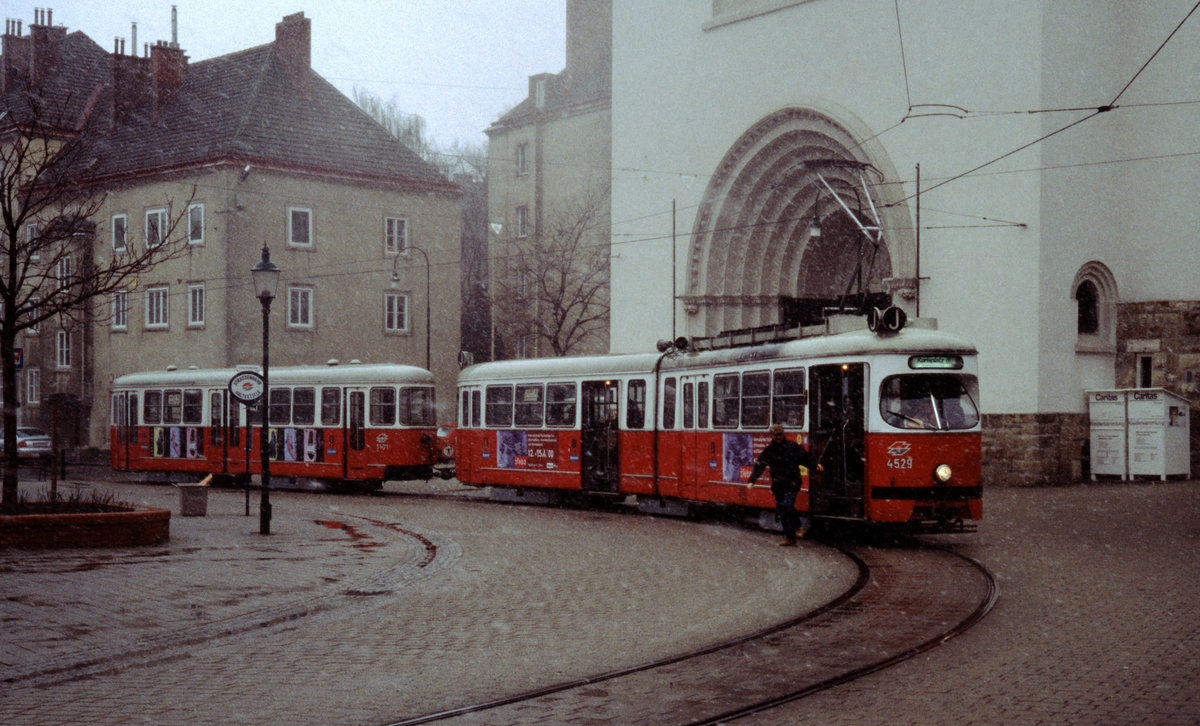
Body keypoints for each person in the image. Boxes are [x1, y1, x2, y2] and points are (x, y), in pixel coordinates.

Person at [747, 423, 823, 546]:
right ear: (771, 436)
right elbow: (759, 465)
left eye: (780, 434)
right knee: (782, 512)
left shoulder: (792, 446)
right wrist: (752, 480)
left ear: (783, 434)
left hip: (792, 482)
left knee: (787, 506)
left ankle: (798, 526)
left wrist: (815, 465)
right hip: (778, 485)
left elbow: (805, 458)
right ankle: (790, 538)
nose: (778, 437)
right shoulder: (769, 451)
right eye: (776, 435)